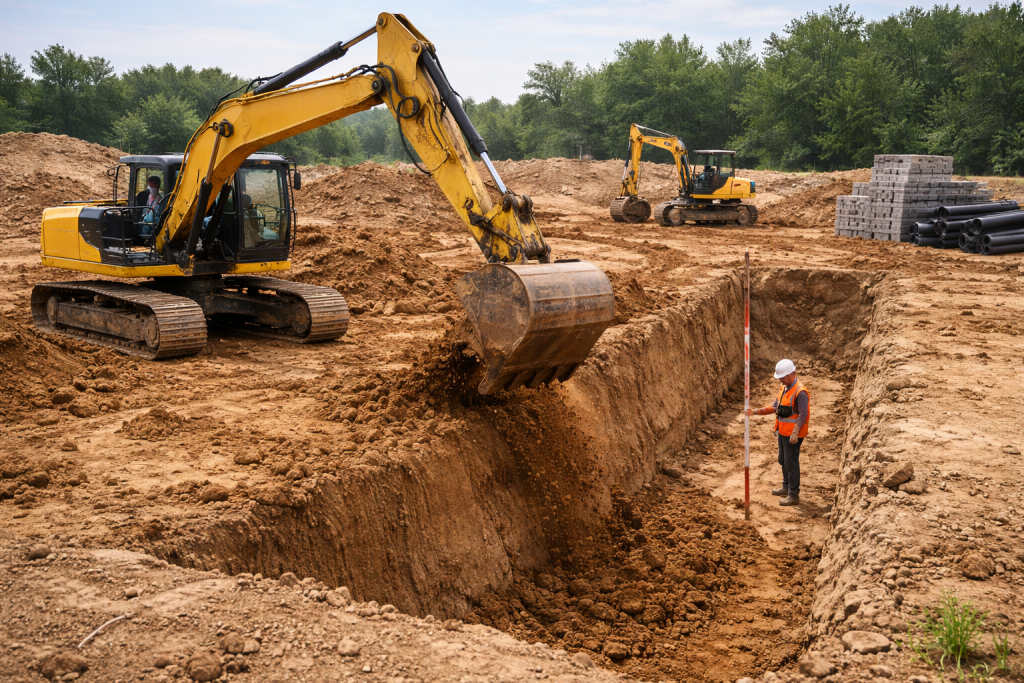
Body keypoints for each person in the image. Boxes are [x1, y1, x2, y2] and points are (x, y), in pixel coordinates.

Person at [746, 359, 809, 506]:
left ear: (790, 375)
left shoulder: (801, 392)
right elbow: (775, 406)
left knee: (790, 463)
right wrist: (756, 412)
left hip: (793, 435)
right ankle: (786, 486)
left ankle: (793, 495)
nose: (779, 380)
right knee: (782, 459)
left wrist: (796, 430)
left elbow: (803, 414)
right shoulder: (784, 388)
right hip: (782, 431)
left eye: (781, 377)